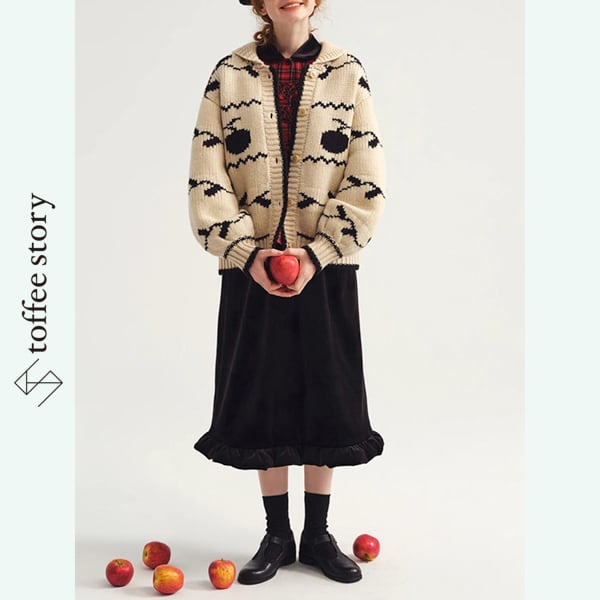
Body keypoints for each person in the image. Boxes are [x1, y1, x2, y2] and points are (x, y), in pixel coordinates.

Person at [188, 0, 386, 585]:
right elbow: (207, 170)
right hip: (251, 267)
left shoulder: (348, 72)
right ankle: (277, 534)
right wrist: (245, 253)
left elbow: (366, 173)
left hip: (326, 266)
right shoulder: (228, 74)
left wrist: (318, 251)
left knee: (326, 392)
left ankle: (317, 534)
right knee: (264, 395)